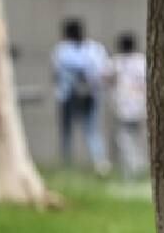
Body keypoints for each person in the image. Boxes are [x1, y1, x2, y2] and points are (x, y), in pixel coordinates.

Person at [52, 18, 108, 172]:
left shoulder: (62, 50)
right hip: (86, 95)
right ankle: (99, 165)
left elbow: (56, 73)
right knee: (90, 131)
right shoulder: (95, 49)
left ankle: (69, 163)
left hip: (72, 96)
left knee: (69, 132)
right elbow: (102, 72)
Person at [105, 32, 147, 179]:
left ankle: (132, 166)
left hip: (123, 106)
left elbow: (104, 77)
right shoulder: (141, 61)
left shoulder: (116, 62)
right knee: (137, 137)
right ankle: (138, 164)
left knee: (124, 139)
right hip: (140, 106)